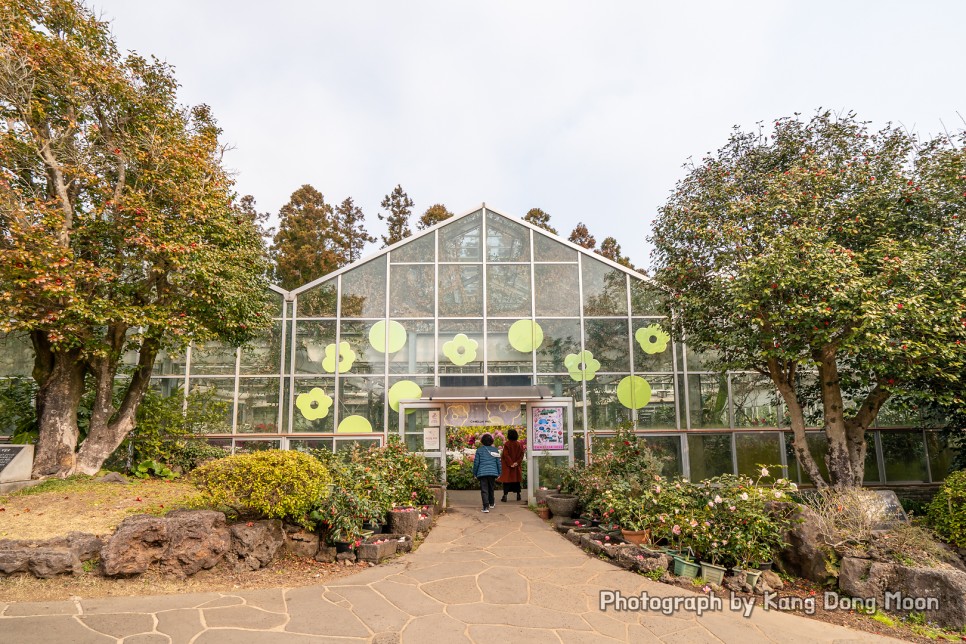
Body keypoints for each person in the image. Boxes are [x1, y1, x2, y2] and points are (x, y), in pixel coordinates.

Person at [472, 433, 501, 513]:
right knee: (491, 488)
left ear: (482, 441)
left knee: (484, 490)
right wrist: (499, 473)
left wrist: (475, 473)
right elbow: (498, 462)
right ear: (491, 441)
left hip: (482, 472)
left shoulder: (479, 450)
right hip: (492, 472)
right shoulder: (495, 450)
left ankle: (485, 507)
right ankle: (491, 503)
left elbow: (476, 463)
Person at [497, 428, 524, 502]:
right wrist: (517, 463)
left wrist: (511, 463)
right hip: (516, 467)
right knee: (516, 481)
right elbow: (521, 454)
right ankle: (518, 495)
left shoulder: (507, 444)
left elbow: (506, 455)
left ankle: (505, 496)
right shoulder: (519, 444)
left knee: (507, 481)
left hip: (508, 467)